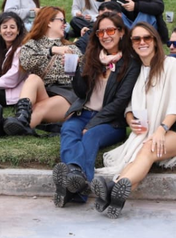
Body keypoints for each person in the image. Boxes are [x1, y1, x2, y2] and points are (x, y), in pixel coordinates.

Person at [92, 22, 176, 219]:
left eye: (147, 37)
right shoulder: (136, 71)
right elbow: (129, 107)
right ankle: (115, 198)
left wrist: (161, 131)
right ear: (131, 43)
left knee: (147, 149)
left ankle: (113, 185)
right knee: (137, 158)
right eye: (137, 39)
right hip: (150, 129)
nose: (142, 42)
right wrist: (130, 120)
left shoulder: (171, 64)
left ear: (155, 41)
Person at [53, 13, 140, 207]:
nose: (105, 35)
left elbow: (120, 101)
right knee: (68, 130)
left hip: (110, 121)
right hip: (83, 112)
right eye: (100, 31)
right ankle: (76, 175)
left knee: (90, 136)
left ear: (121, 32)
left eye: (110, 30)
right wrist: (77, 70)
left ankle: (75, 187)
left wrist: (93, 123)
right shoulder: (91, 56)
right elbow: (80, 92)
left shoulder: (130, 63)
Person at [2, 6, 82, 136]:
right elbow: (26, 62)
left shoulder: (72, 48)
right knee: (33, 78)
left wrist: (78, 65)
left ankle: (7, 129)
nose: (65, 24)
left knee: (39, 108)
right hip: (43, 92)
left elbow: (87, 72)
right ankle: (22, 116)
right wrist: (52, 51)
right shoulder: (32, 44)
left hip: (67, 94)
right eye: (62, 20)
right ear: (49, 22)